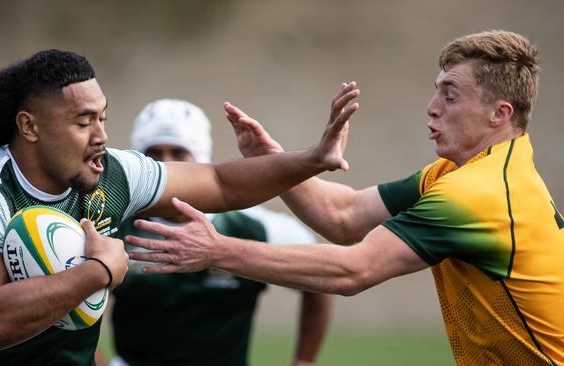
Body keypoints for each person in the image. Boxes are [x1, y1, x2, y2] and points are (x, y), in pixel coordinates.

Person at [127, 30, 564, 364]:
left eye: (449, 95)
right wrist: (277, 162)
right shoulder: (461, 172)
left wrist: (217, 250)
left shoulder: (477, 193)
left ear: (499, 113)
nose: (432, 106)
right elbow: (345, 217)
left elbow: (353, 271)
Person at [0, 50, 359, 366]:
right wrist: (98, 272)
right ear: (29, 126)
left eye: (103, 117)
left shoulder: (114, 174)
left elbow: (220, 182)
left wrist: (311, 159)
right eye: (83, 122)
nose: (101, 135)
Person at [106, 99, 331, 366]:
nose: (166, 165)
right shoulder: (112, 226)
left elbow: (320, 278)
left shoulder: (253, 228)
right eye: (154, 155)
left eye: (178, 153)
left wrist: (304, 360)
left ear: (201, 159)